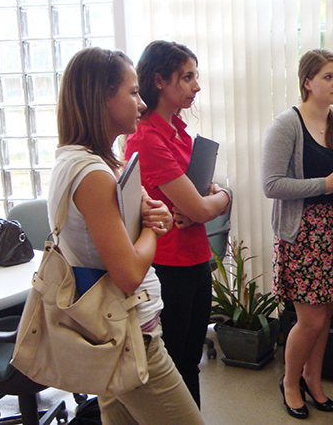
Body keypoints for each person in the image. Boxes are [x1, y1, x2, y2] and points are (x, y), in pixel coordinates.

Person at [49, 47, 204, 424]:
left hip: (113, 335)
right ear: (102, 97)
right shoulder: (93, 174)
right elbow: (129, 273)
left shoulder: (83, 160)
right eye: (133, 93)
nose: (141, 102)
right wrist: (154, 225)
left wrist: (146, 216)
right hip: (130, 341)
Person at [262, 49, 333, 420]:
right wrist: (324, 184)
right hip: (303, 236)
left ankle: (313, 378)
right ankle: (290, 382)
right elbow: (272, 185)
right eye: (328, 76)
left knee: (326, 317)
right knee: (309, 320)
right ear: (307, 81)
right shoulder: (286, 125)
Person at [124, 40, 231, 409]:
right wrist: (223, 199)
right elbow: (201, 208)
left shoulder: (179, 132)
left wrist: (217, 198)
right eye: (187, 78)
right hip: (169, 266)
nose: (196, 87)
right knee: (174, 365)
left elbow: (204, 198)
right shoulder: (147, 140)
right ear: (159, 81)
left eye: (195, 77)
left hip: (195, 258)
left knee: (189, 363)